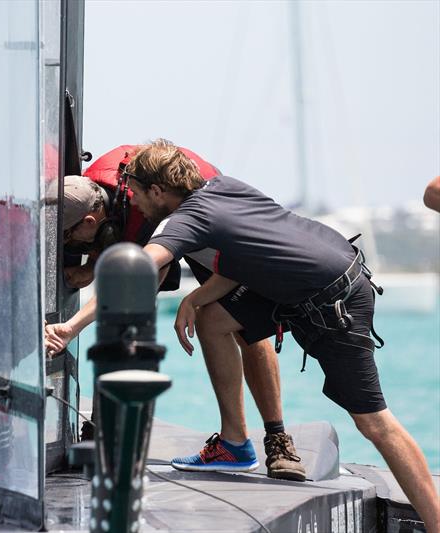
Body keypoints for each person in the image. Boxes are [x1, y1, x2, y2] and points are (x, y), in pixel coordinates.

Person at [127, 139, 438, 530]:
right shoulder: (226, 187)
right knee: (213, 320)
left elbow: (140, 263)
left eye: (137, 193)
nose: (135, 204)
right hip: (311, 278)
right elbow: (250, 259)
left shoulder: (189, 217)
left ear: (157, 190)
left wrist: (75, 324)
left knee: (374, 423)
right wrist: (194, 298)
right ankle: (235, 444)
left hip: (333, 300)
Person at [46, 145, 306, 481]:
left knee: (245, 327)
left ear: (92, 220)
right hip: (149, 220)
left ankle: (278, 439)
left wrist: (71, 327)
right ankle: (108, 429)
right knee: (126, 313)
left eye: (70, 238)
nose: (69, 247)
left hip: (207, 225)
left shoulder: (148, 207)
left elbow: (133, 279)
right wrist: (93, 265)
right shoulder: (84, 190)